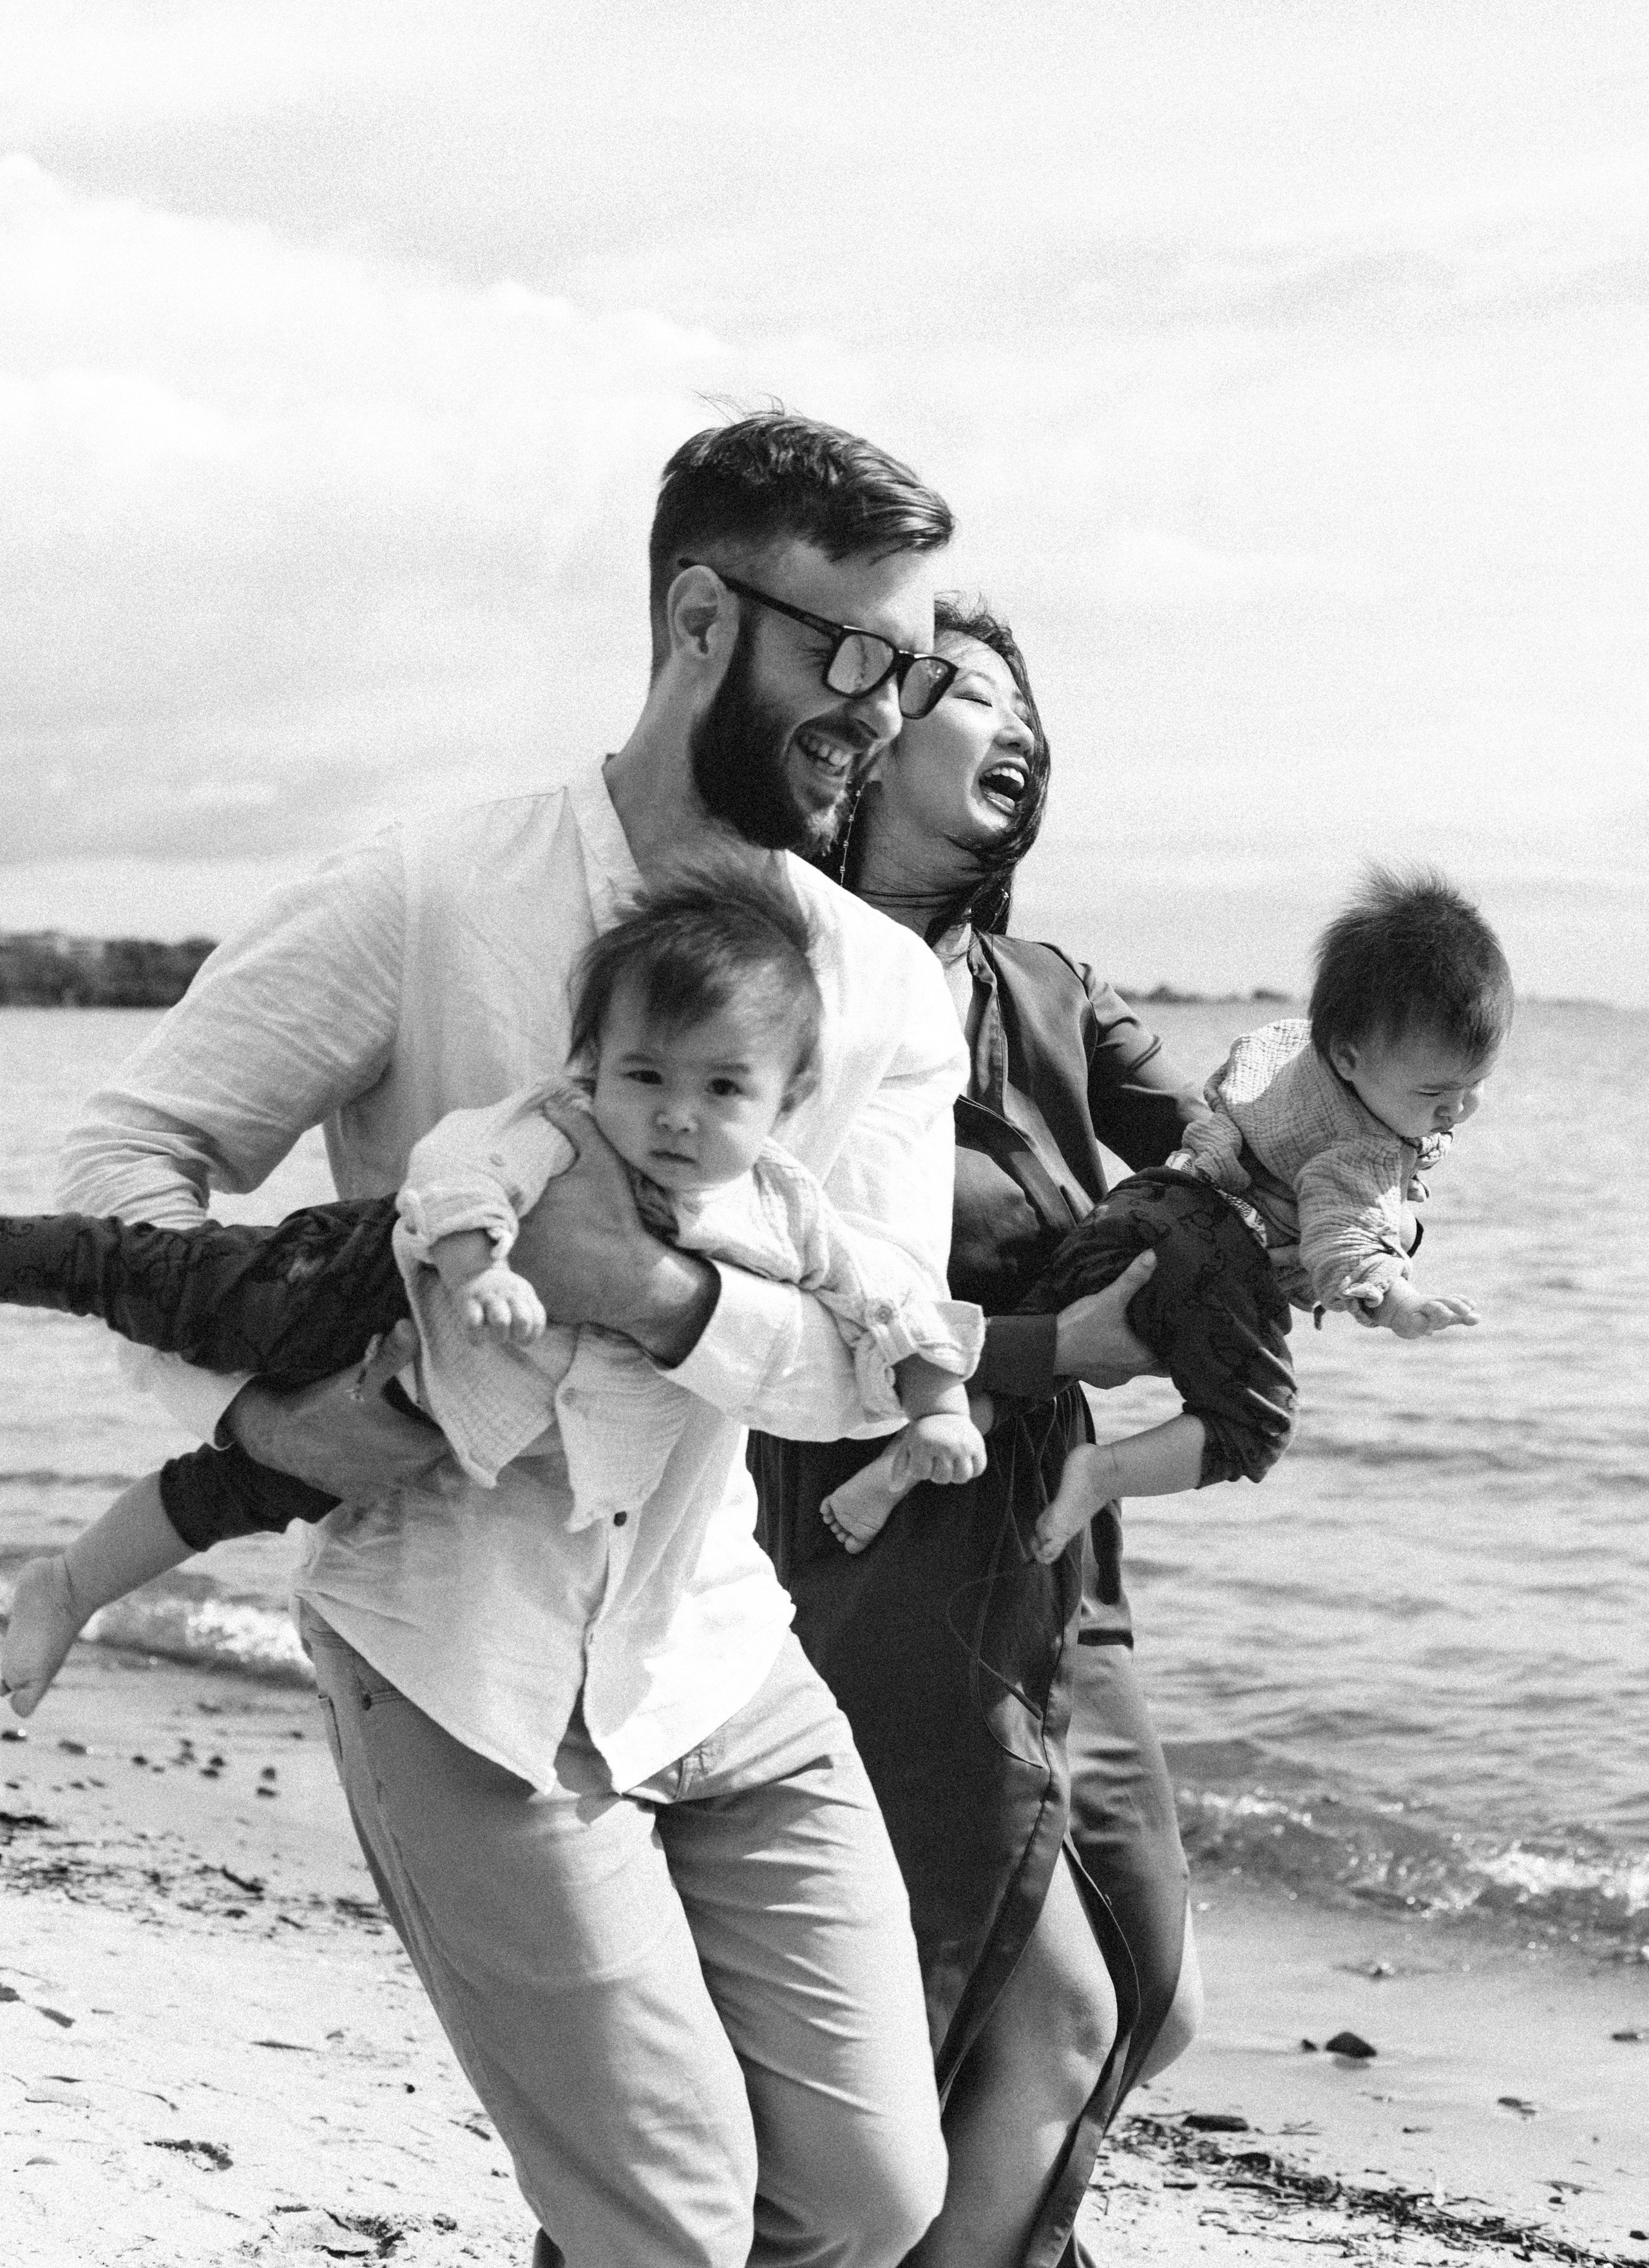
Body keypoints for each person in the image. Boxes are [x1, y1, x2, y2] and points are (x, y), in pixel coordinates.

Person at [46, 413, 987, 2268]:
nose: (884, 709)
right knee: (674, 2220)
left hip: (720, 1646)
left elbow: (878, 1352)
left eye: (917, 664)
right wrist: (272, 1410)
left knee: (876, 2198)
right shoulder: (427, 891)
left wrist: (650, 1294)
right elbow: (123, 1161)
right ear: (702, 618)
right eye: (852, 651)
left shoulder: (876, 987)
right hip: (454, 1648)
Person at [751, 597, 1301, 2268]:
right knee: (1038, 2014)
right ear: (871, 740)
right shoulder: (788, 980)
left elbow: (1232, 1156)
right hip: (877, 1545)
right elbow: (788, 1290)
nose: (1022, 730)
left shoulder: (1052, 993)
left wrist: (1339, 1178)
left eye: (1032, 711)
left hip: (1066, 1555)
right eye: (975, 694)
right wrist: (1062, 1338)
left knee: (1154, 2000)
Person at [1, 864, 984, 1722]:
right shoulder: (565, 1127)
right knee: (162, 1282)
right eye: (645, 1075)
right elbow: (461, 1171)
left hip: (418, 1415)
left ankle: (71, 1582)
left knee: (238, 1494)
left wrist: (937, 1406)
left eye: (724, 1090)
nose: (678, 1116)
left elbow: (887, 1303)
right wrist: (483, 1267)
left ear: (790, 1096)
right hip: (356, 1285)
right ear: (594, 1064)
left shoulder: (784, 1209)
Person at [1030, 867, 1510, 1562]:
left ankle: (923, 1441)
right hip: (1210, 1253)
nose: (1456, 1110)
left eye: (1474, 1086)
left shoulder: (1286, 1044)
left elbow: (1218, 1105)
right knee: (1252, 1428)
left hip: (1135, 1206)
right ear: (1349, 1059)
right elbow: (1345, 1237)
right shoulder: (1364, 1151)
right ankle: (1103, 1472)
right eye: (1435, 1093)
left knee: (1038, 1335)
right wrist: (1400, 1302)